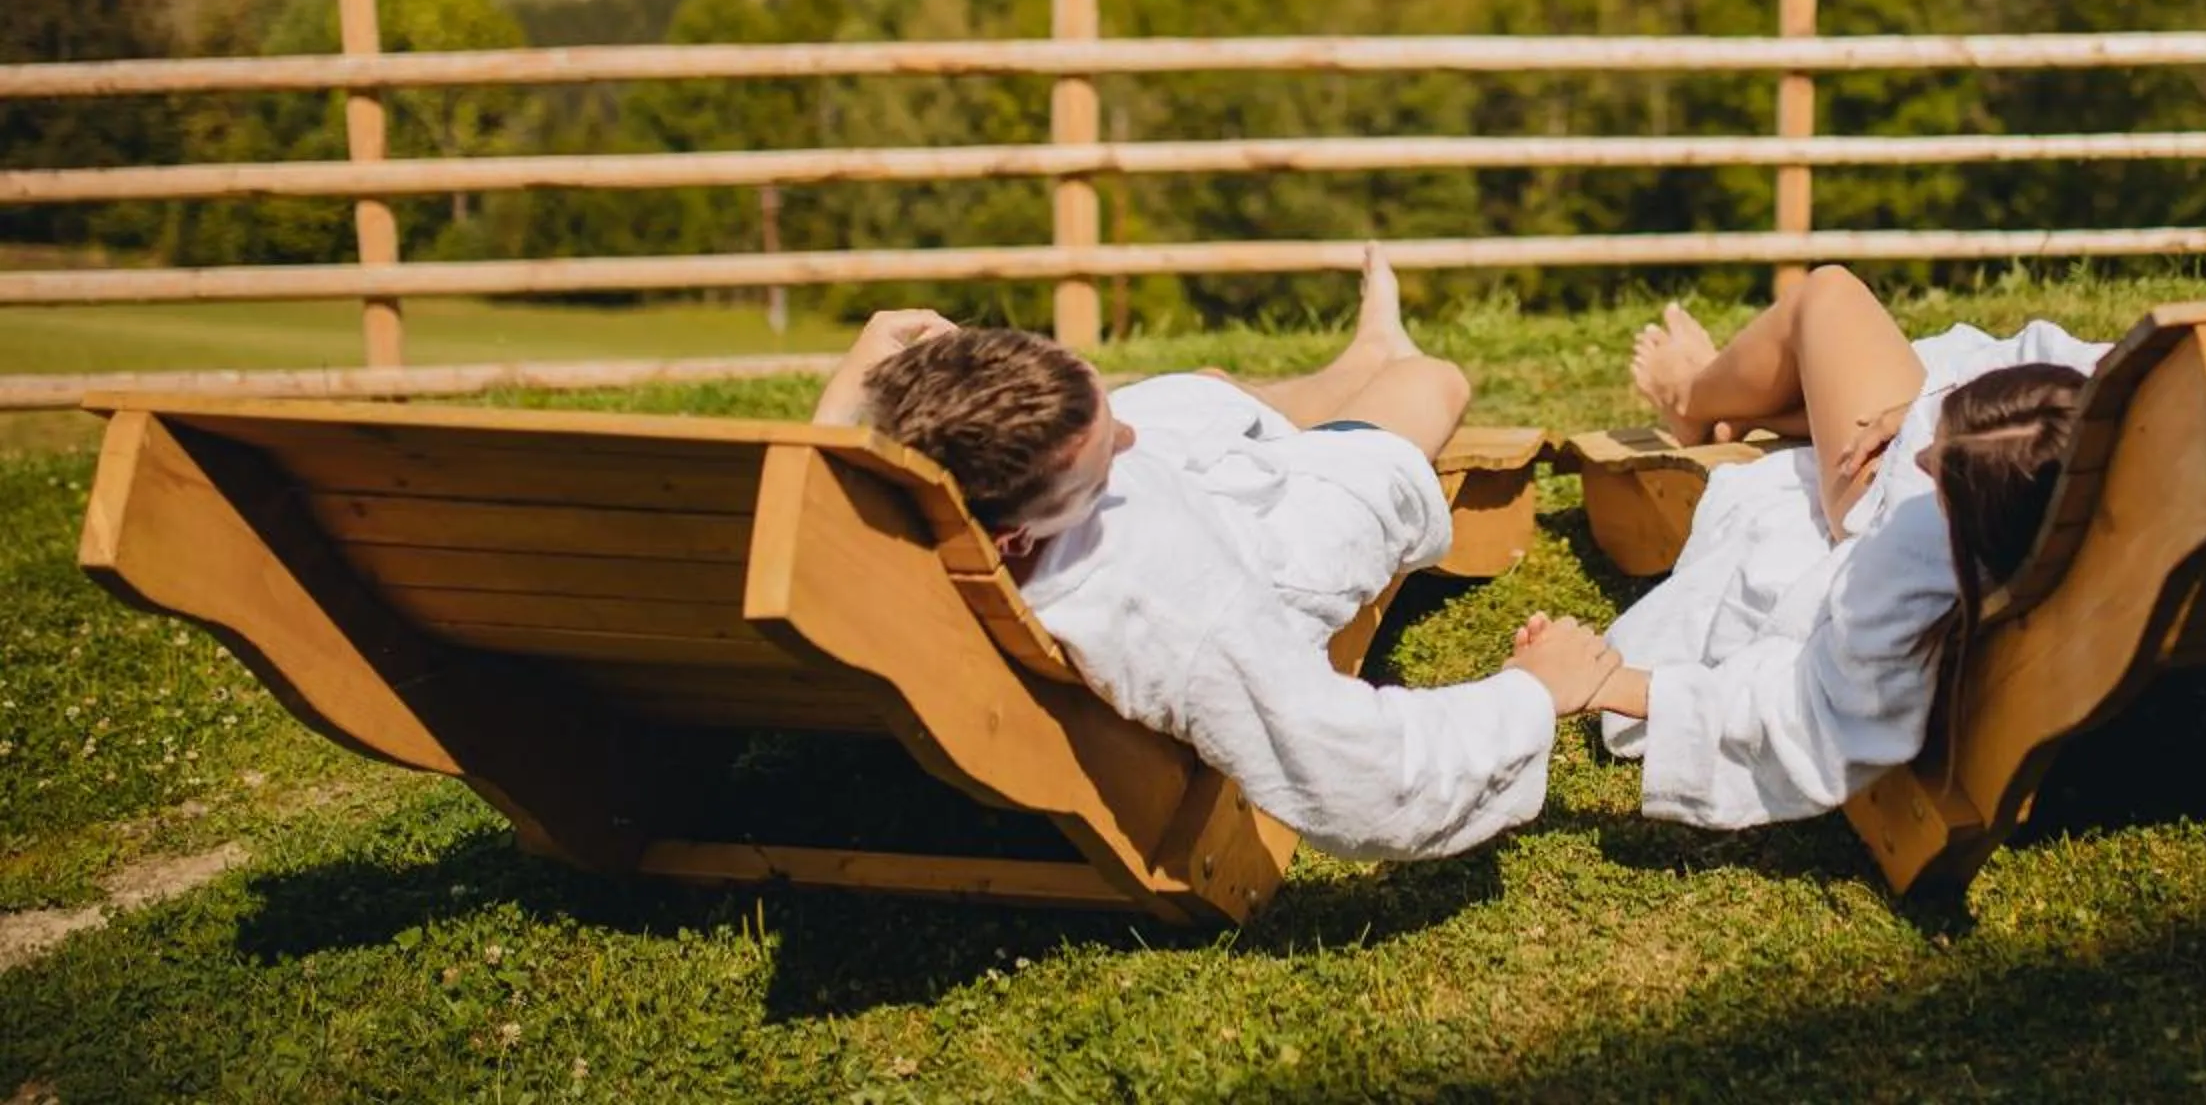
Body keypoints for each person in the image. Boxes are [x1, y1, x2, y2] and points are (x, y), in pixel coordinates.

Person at [808, 247, 1617, 864]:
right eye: (1103, 461)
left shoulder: (889, 507)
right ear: (1018, 535)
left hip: (1192, 490)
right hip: (1280, 530)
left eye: (1099, 403)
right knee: (1432, 381)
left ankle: (1358, 359)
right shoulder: (1170, 599)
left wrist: (852, 392)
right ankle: (1384, 363)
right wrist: (1533, 694)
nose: (1121, 435)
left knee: (1206, 385)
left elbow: (808, 502)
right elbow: (1356, 769)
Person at [1550, 266, 2109, 830]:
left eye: (1933, 466)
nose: (1918, 456)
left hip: (1865, 485)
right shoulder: (2105, 458)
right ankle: (1744, 408)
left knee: (1828, 293)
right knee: (1841, 353)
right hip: (1968, 447)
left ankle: (1690, 398)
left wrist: (1627, 688)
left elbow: (1803, 698)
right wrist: (1919, 412)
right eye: (1932, 439)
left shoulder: (1905, 557)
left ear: (1966, 513)